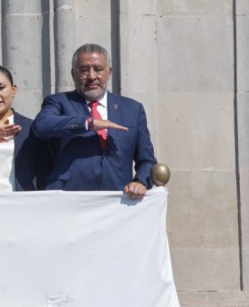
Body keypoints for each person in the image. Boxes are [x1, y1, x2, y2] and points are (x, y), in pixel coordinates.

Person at [33, 43, 156, 200]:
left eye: (98, 69)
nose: (91, 76)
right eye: (84, 70)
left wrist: (140, 181)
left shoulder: (132, 109)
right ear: (73, 74)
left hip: (117, 201)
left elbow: (147, 160)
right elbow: (41, 125)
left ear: (109, 72)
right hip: (68, 200)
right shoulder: (59, 102)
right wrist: (88, 123)